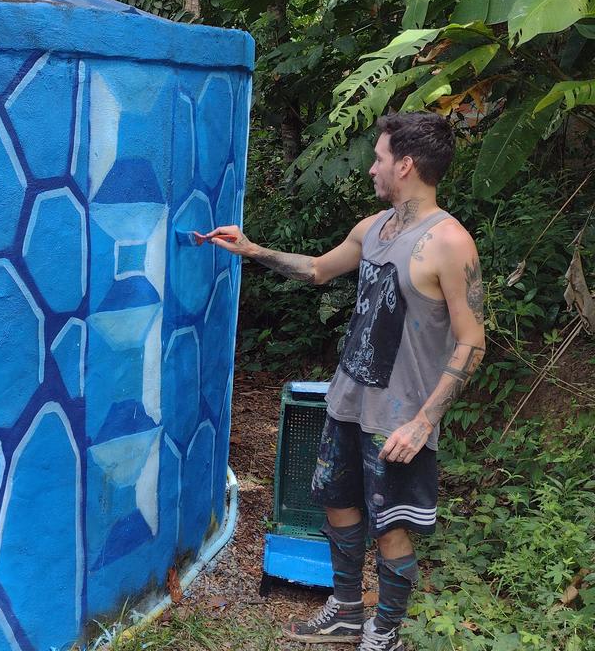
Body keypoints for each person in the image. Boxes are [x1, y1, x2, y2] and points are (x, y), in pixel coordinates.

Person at [207, 112, 485, 651]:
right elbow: (316, 269)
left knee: (392, 527)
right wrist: (252, 249)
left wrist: (426, 421)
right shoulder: (373, 228)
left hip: (400, 420)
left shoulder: (451, 243)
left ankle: (384, 633)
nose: (373, 170)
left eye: (380, 159)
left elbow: (472, 340)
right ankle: (347, 610)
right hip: (348, 401)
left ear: (405, 165)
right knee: (336, 502)